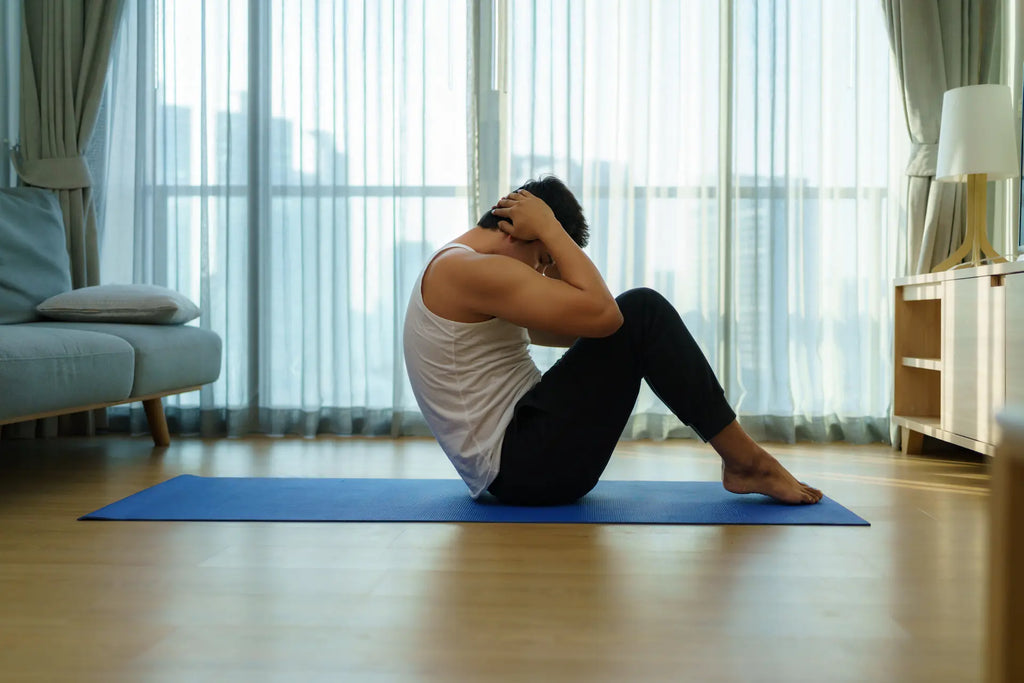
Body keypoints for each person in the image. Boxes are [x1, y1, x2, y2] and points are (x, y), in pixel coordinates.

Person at [403, 175, 823, 507]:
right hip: (522, 468)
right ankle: (747, 462)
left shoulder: (459, 266)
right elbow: (606, 316)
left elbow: (571, 329)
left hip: (522, 464)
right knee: (642, 310)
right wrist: (551, 230)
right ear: (515, 230)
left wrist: (553, 248)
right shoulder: (468, 271)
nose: (541, 272)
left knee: (636, 320)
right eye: (542, 259)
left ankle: (745, 460)